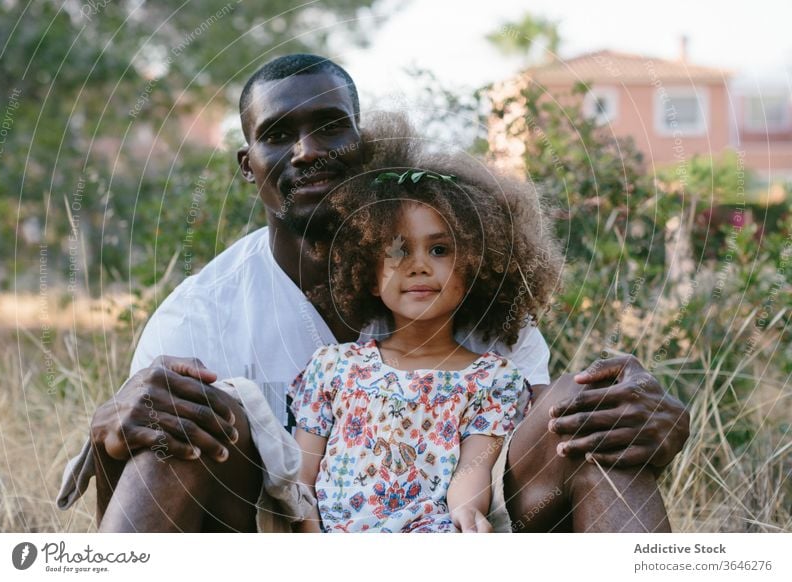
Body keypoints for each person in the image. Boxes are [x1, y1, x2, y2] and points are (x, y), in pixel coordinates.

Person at [57, 54, 686, 532]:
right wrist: (114, 425)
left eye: (330, 127)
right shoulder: (200, 317)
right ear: (248, 165)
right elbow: (140, 481)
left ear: (365, 145)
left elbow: (513, 453)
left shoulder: (462, 281)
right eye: (278, 134)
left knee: (593, 422)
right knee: (180, 416)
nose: (306, 151)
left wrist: (611, 405)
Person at [291, 127, 562, 532]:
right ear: (368, 273)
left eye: (439, 249)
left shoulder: (492, 380)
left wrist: (468, 513)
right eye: (397, 250)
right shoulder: (333, 367)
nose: (418, 266)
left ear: (473, 267)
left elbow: (472, 470)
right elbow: (301, 477)